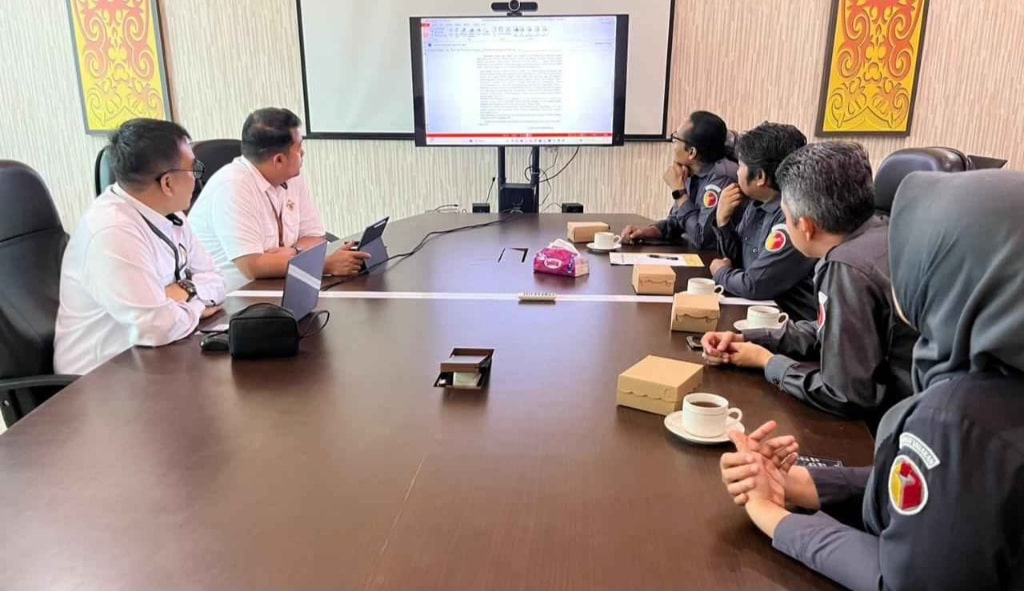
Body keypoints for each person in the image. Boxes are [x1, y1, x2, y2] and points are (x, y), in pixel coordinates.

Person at [719, 169, 1024, 590]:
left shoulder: (956, 419)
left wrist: (772, 515)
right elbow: (949, 497)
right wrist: (800, 483)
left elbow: (901, 580)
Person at [702, 142, 916, 425]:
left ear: (805, 226)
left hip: (886, 424)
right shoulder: (882, 231)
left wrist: (767, 361)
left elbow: (845, 395)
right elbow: (833, 331)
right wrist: (752, 339)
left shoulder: (845, 266)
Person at [54, 119, 226, 375]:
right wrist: (198, 306)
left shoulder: (170, 213)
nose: (197, 179)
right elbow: (157, 327)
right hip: (99, 377)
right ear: (168, 183)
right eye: (193, 169)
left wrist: (182, 290)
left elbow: (218, 281)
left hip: (153, 356)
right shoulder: (112, 232)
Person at [189, 107, 368, 289]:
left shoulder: (290, 177)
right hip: (235, 296)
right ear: (279, 160)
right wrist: (325, 265)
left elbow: (315, 237)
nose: (303, 154)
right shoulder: (233, 186)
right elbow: (252, 266)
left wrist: (294, 251)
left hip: (283, 283)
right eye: (299, 148)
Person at [707, 123, 816, 321]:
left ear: (760, 177)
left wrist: (720, 272)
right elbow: (735, 260)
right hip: (757, 312)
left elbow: (754, 285)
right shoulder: (757, 203)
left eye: (741, 166)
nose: (737, 172)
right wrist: (723, 221)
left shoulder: (792, 217)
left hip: (788, 322)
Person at [620, 111, 739, 250]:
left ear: (691, 152)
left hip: (718, 259)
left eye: (676, 139)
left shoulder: (722, 178)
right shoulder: (691, 170)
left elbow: (700, 238)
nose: (673, 145)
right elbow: (677, 222)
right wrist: (646, 232)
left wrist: (679, 192)